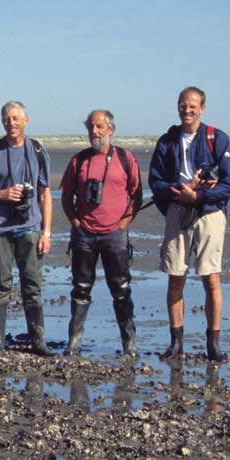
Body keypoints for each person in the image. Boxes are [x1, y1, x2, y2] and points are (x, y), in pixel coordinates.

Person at [149, 86, 230, 362]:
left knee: (211, 278)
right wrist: (179, 190)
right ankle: (176, 343)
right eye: (182, 105)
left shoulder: (216, 138)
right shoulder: (167, 141)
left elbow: (229, 184)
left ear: (202, 108)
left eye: (192, 106)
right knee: (176, 276)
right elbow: (155, 181)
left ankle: (213, 343)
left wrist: (199, 194)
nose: (186, 110)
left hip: (209, 213)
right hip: (178, 211)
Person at [0, 100, 54, 355]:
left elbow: (45, 194)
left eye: (16, 118)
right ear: (2, 122)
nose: (12, 123)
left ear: (26, 120)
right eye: (7, 119)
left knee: (32, 283)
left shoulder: (38, 151)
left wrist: (47, 233)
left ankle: (37, 340)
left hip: (29, 227)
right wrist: (2, 195)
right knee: (1, 284)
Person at [60, 109, 143, 358]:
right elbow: (66, 195)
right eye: (90, 128)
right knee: (81, 289)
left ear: (111, 129)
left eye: (99, 127)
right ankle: (74, 345)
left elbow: (137, 194)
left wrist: (124, 223)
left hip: (114, 236)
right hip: (84, 235)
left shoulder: (125, 158)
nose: (94, 132)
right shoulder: (79, 160)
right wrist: (75, 222)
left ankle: (130, 345)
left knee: (121, 289)